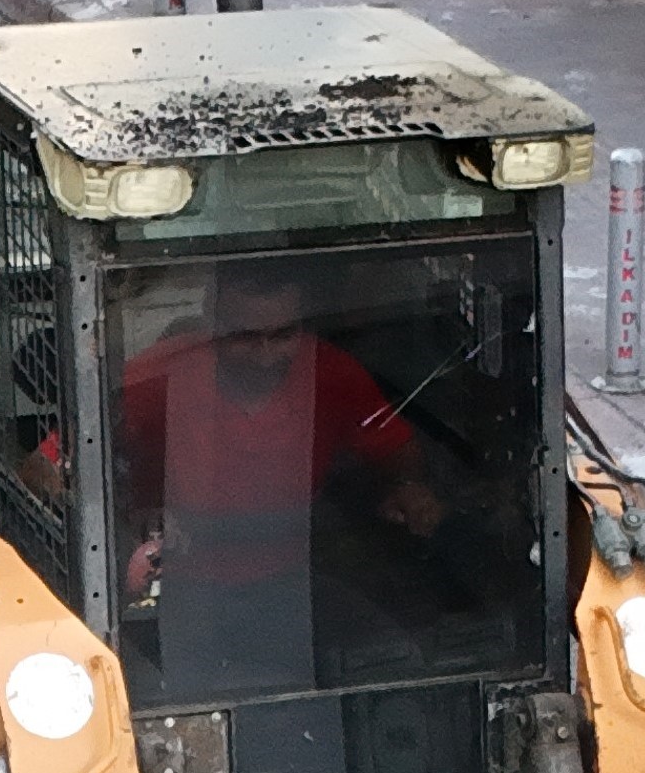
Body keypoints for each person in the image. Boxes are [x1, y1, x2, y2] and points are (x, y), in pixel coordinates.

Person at [114, 263, 442, 704]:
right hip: (187, 584)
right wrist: (132, 517)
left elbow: (394, 446)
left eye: (283, 335)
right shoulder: (162, 373)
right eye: (246, 338)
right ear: (214, 323)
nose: (266, 355)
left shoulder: (330, 371)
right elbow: (61, 458)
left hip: (295, 579)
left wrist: (406, 485)